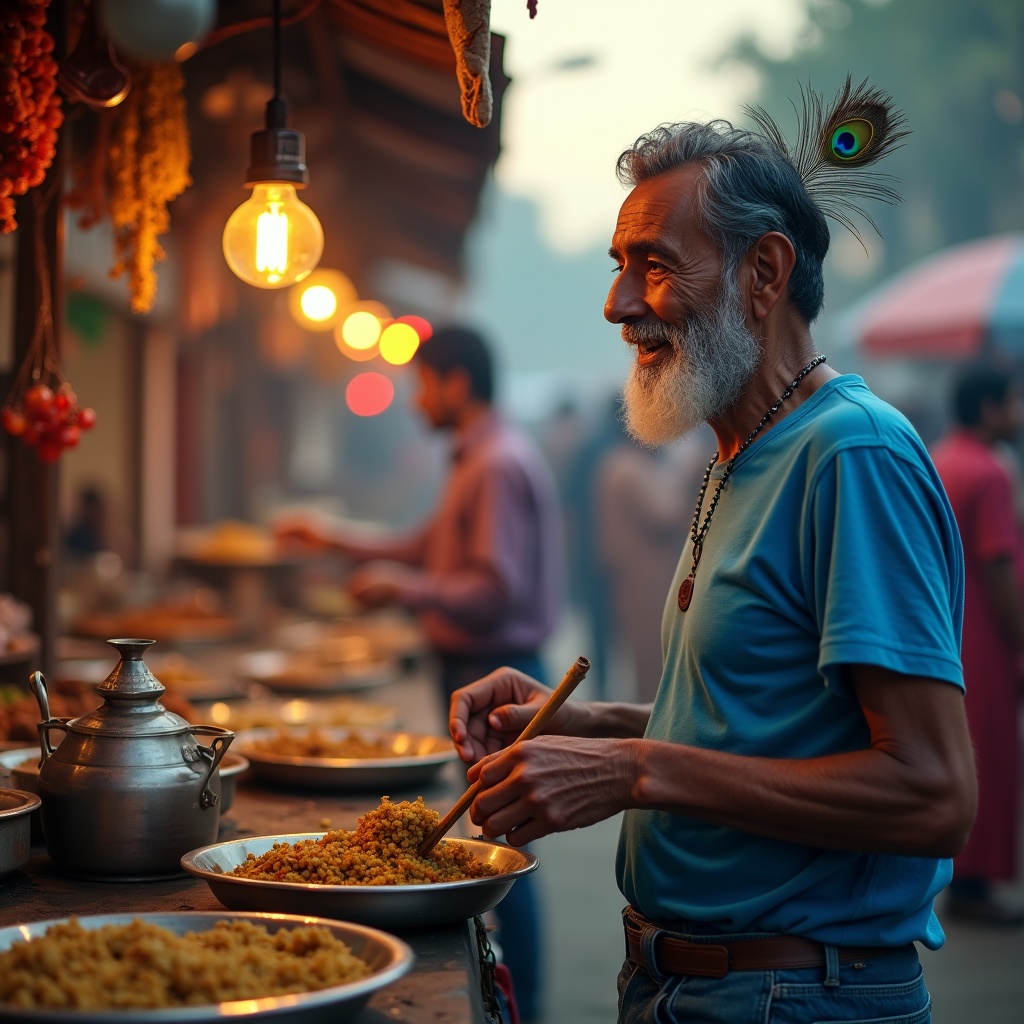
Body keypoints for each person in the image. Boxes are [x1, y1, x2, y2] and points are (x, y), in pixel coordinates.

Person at [447, 85, 978, 1024]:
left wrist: (636, 772)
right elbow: (773, 720)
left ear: (764, 273)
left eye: (653, 266)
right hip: (692, 981)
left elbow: (932, 792)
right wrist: (598, 724)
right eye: (619, 265)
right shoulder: (743, 449)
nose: (618, 305)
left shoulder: (851, 453)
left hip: (793, 993)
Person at [276, 324, 564, 1023]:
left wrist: (403, 590)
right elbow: (424, 548)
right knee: (498, 848)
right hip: (477, 666)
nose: (415, 401)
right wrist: (338, 538)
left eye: (423, 384)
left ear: (457, 383)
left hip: (498, 676)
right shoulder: (478, 457)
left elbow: (493, 588)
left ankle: (520, 1005)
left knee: (500, 859)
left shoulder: (494, 463)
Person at [930, 360, 1024, 925]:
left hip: (947, 628)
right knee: (992, 754)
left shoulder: (942, 458)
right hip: (986, 636)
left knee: (962, 751)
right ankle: (975, 882)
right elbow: (998, 562)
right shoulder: (989, 471)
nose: (1018, 413)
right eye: (1013, 401)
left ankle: (959, 873)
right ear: (989, 408)